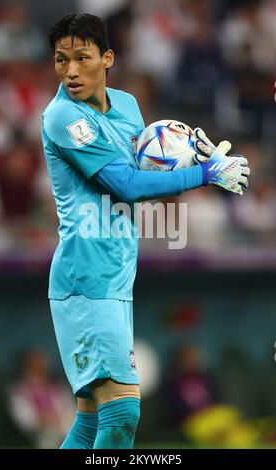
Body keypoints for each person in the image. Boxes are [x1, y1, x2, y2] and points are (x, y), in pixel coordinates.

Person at [41, 13, 250, 449]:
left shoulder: (129, 107)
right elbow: (125, 184)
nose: (71, 70)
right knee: (122, 412)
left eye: (82, 58)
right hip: (85, 279)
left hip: (118, 278)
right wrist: (206, 175)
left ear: (108, 58)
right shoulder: (63, 117)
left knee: (91, 420)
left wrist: (192, 153)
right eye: (62, 60)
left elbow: (147, 170)